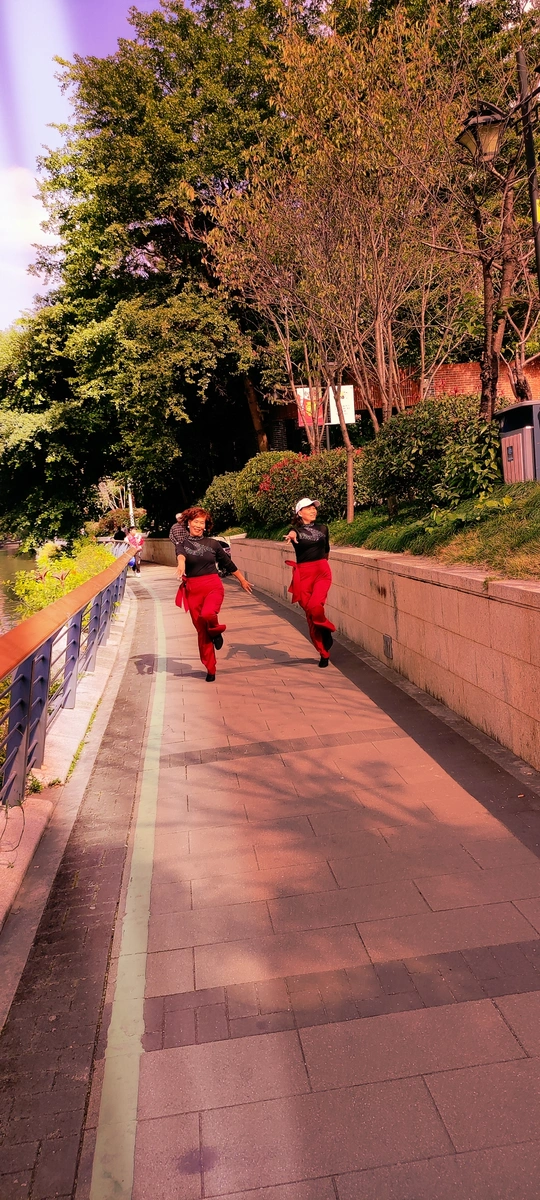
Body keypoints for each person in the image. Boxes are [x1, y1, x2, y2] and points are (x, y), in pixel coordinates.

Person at [176, 507, 253, 681]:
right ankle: (210, 668)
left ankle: (216, 632)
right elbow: (181, 556)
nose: (198, 525)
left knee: (208, 614)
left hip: (213, 586)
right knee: (202, 632)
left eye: (202, 522)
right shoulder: (182, 544)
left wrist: (242, 580)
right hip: (193, 590)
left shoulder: (213, 544)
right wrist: (181, 564)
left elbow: (228, 563)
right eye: (196, 521)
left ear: (206, 525)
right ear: (189, 523)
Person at [284, 497, 336, 668]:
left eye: (314, 507)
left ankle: (327, 628)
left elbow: (326, 550)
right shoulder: (295, 531)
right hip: (303, 576)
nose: (313, 510)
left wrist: (323, 565)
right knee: (310, 617)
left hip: (321, 572)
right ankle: (323, 653)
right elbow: (293, 533)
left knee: (315, 607)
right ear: (300, 513)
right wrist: (291, 535)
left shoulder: (323, 528)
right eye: (308, 508)